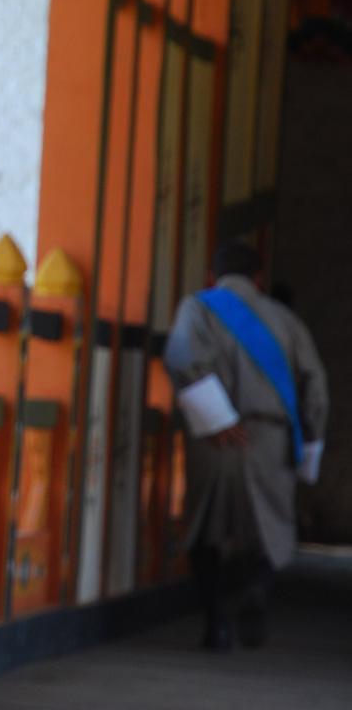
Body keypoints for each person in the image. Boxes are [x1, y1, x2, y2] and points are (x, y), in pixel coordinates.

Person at [166, 239, 329, 651]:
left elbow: (183, 358)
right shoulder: (286, 320)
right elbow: (316, 389)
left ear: (211, 276)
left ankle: (216, 626)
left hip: (215, 439)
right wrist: (309, 445)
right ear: (259, 278)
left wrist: (217, 419)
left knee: (204, 529)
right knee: (273, 527)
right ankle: (256, 588)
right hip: (270, 438)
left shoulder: (197, 309)